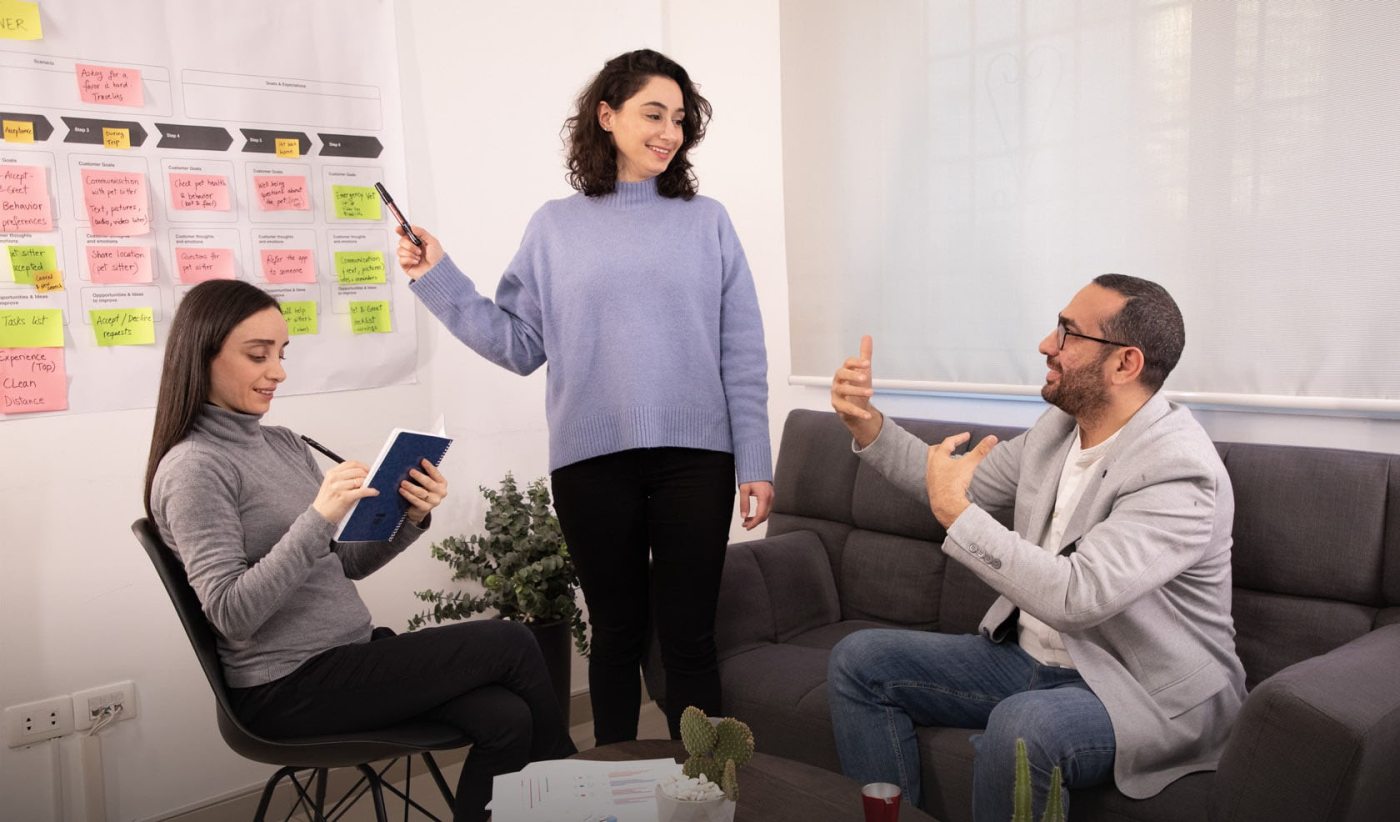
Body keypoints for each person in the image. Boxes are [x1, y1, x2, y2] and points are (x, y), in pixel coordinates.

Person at [395, 49, 773, 743]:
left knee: (689, 637)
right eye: (653, 114)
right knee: (616, 634)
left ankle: (711, 793)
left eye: (680, 120)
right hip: (592, 461)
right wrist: (437, 276)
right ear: (607, 115)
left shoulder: (707, 221)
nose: (669, 132)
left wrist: (755, 457)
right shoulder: (554, 227)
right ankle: (616, 792)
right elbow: (517, 345)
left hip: (699, 458)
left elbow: (741, 351)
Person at [143, 280, 575, 822]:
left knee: (506, 717)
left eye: (282, 353)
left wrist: (410, 516)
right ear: (202, 355)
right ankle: (582, 788)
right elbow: (232, 616)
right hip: (286, 686)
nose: (277, 371)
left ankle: (563, 795)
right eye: (258, 355)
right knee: (510, 640)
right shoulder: (193, 469)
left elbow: (343, 564)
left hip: (351, 656)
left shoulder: (281, 443)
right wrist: (318, 517)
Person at [826, 275, 1246, 821]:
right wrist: (867, 424)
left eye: (1068, 333)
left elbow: (1078, 596)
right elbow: (959, 482)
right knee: (859, 661)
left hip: (1140, 691)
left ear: (1126, 364)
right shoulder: (1060, 429)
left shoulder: (1180, 471)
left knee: (1024, 728)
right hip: (1030, 660)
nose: (1047, 344)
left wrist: (960, 517)